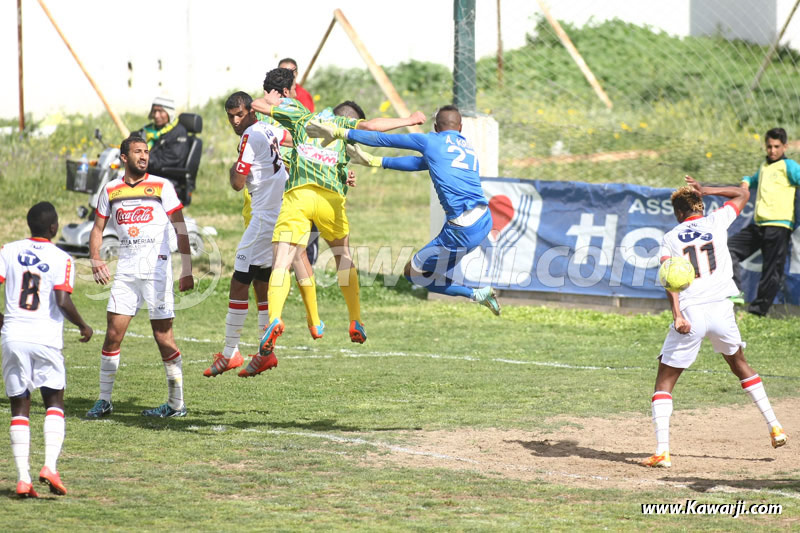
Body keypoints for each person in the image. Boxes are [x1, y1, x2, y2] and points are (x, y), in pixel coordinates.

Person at [251, 67, 425, 357]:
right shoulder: (346, 129)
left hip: (299, 194)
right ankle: (355, 317)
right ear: (350, 118)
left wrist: (275, 98)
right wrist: (408, 120)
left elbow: (260, 104)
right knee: (343, 256)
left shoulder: (304, 116)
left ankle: (275, 319)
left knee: (281, 259)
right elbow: (369, 128)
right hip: (330, 199)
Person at [641, 175, 786, 469]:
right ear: (700, 205)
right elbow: (743, 193)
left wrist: (678, 315)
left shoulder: (669, 238)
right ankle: (775, 426)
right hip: (722, 311)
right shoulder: (716, 221)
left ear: (678, 213)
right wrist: (707, 188)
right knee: (740, 365)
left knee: (664, 382)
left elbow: (670, 279)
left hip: (692, 313)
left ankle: (662, 452)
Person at [305, 105, 501, 314]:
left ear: (435, 127)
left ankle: (476, 294)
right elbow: (420, 163)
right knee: (429, 271)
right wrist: (375, 161)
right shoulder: (468, 149)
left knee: (413, 273)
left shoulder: (430, 140)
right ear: (460, 128)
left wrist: (339, 132)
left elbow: (383, 140)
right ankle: (473, 291)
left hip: (461, 229)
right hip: (484, 220)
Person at [203, 91, 321, 378]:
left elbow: (236, 183)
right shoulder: (268, 129)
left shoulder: (248, 137)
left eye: (239, 114)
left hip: (264, 218)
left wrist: (233, 167)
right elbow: (296, 141)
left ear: (252, 112)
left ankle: (231, 353)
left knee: (238, 281)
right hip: (279, 212)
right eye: (231, 116)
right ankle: (265, 353)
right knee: (261, 281)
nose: (234, 120)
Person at [86, 135, 194, 419]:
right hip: (126, 273)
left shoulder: (162, 186)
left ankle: (176, 404)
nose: (144, 156)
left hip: (157, 272)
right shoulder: (110, 190)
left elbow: (180, 226)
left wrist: (187, 268)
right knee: (112, 336)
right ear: (124, 157)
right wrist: (96, 258)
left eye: (146, 152)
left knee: (163, 336)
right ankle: (104, 400)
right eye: (137, 152)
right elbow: (97, 229)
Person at [1, 202, 93, 498]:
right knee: (54, 401)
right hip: (45, 337)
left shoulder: (8, 250)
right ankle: (50, 466)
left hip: (13, 335)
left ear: (29, 226)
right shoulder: (61, 258)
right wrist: (83, 326)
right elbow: (63, 301)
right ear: (54, 228)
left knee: (20, 406)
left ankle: (23, 478)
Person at [729, 127, 800, 316]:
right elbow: (752, 180)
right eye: (769, 146)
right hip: (759, 225)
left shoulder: (789, 166)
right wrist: (745, 182)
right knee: (728, 250)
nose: (772, 150)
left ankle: (757, 313)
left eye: (777, 146)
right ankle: (735, 294)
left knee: (771, 272)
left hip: (779, 225)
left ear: (785, 146)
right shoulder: (764, 166)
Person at [137, 96, 190, 176]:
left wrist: (143, 160)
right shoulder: (149, 130)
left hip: (165, 177)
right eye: (154, 111)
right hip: (147, 172)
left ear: (169, 113)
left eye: (161, 111)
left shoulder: (178, 133)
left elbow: (171, 159)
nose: (156, 115)